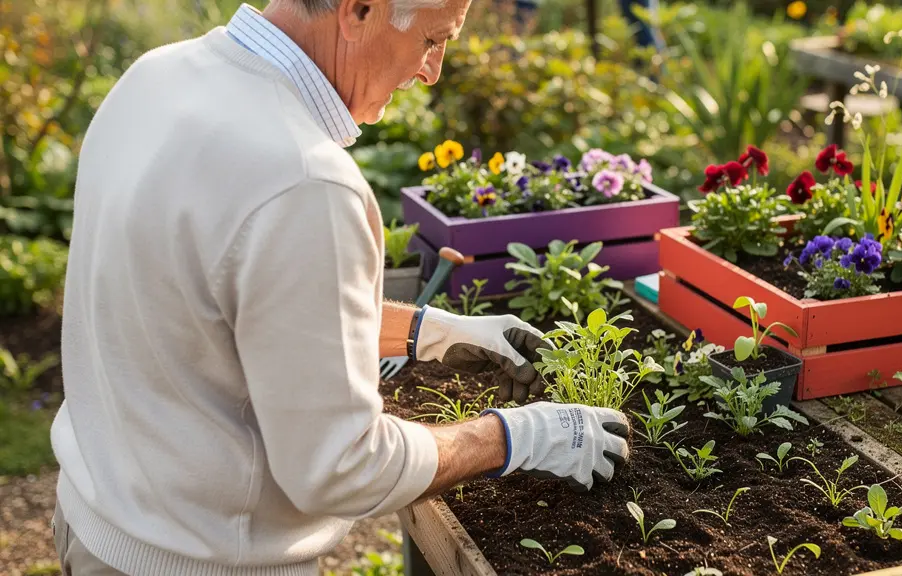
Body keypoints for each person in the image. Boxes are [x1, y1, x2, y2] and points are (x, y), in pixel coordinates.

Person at [48, 0, 631, 574]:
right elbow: (341, 466)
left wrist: (431, 332)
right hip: (198, 559)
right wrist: (514, 436)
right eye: (432, 40)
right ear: (357, 11)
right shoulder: (304, 179)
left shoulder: (157, 77)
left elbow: (214, 306)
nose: (434, 71)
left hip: (96, 524)